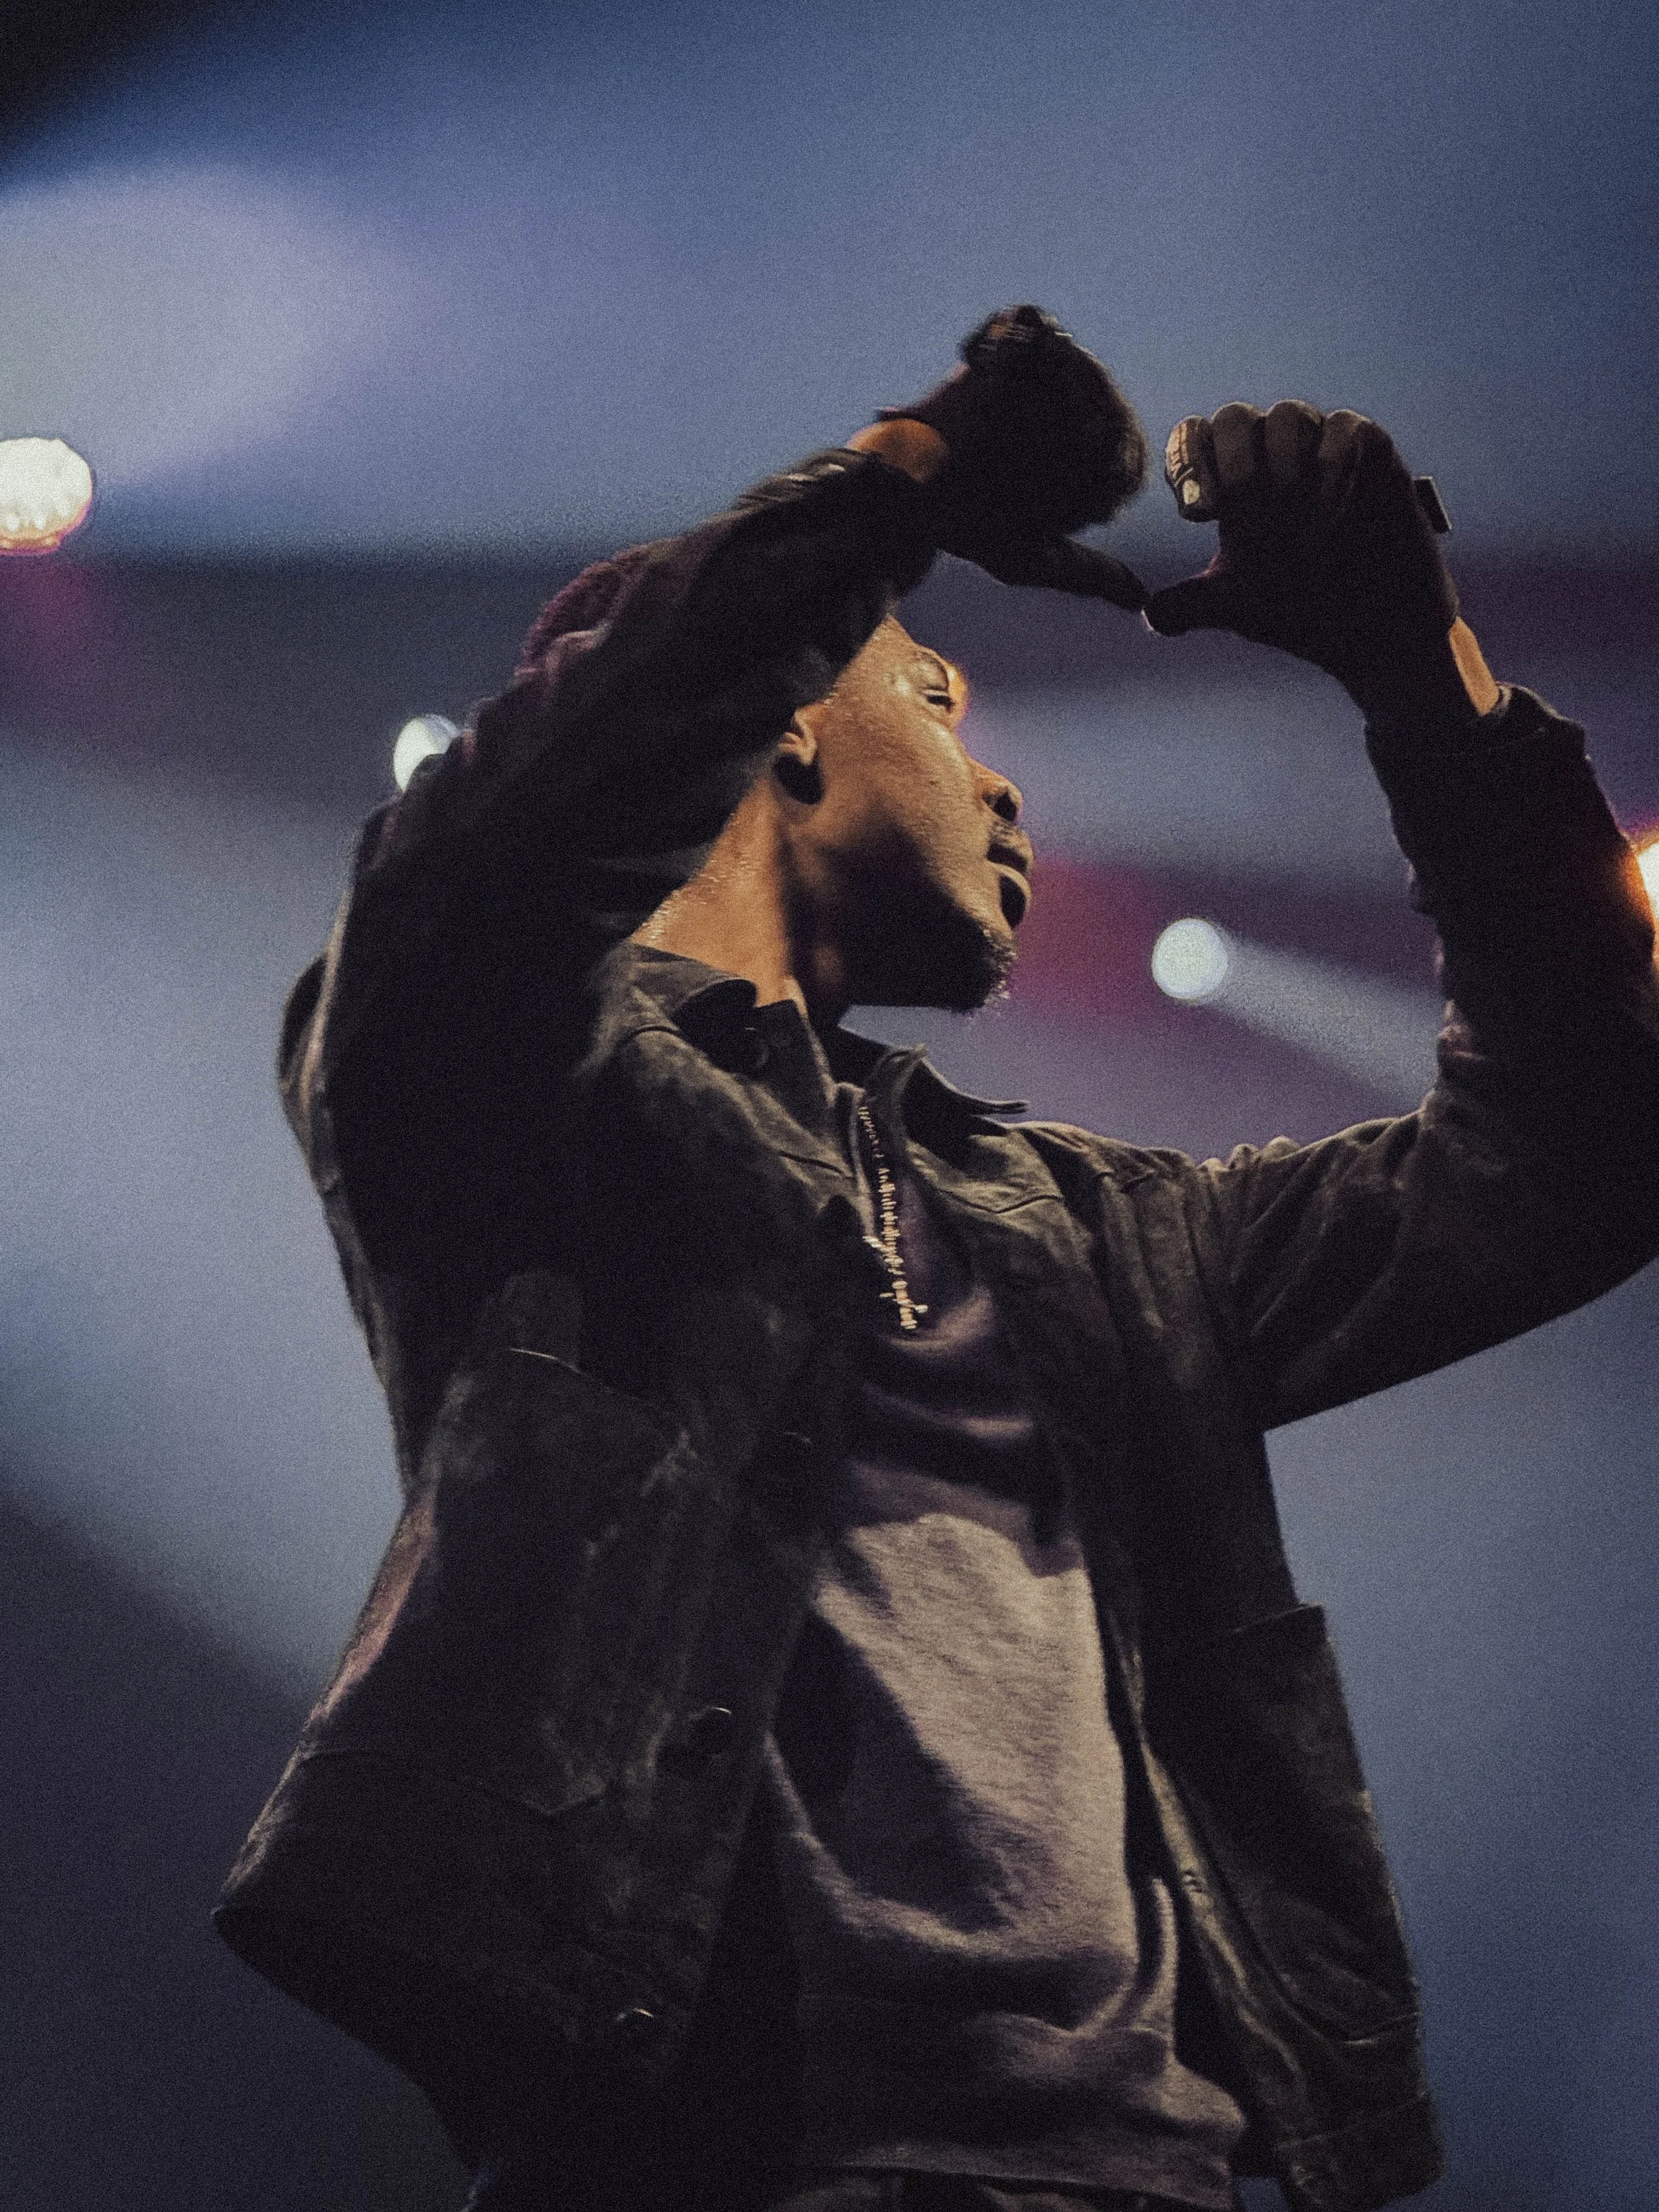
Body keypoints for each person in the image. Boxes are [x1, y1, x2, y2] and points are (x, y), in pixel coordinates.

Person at [215, 308, 1659, 2212]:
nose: (1007, 785)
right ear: (790, 706)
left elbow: (1580, 1150)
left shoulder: (1094, 1232)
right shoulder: (501, 1084)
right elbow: (517, 842)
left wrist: (1423, 681)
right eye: (946, 704)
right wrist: (899, 478)